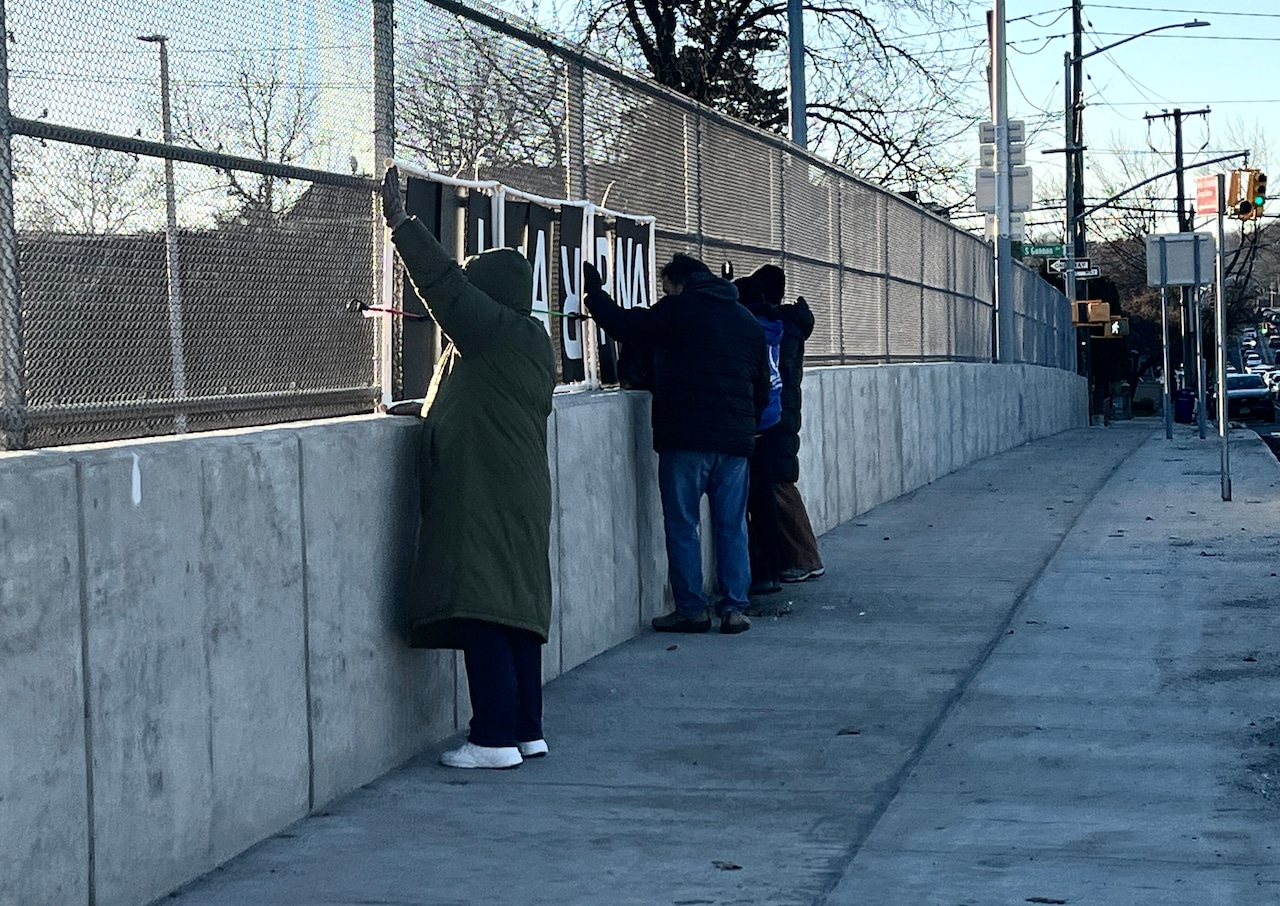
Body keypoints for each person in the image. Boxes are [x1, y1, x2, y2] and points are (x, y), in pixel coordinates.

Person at [381, 166, 557, 770]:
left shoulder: (495, 331)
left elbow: (444, 289)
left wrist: (404, 226)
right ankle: (527, 729)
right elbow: (469, 398)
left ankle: (492, 739)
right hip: (514, 488)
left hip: (485, 490)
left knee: (483, 603)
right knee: (515, 607)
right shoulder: (521, 342)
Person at [582, 253, 770, 635]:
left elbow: (626, 325)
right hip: (734, 443)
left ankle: (691, 610)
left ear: (680, 283)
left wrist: (595, 295)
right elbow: (763, 385)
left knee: (684, 524)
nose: (663, 294)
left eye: (666, 287)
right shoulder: (745, 320)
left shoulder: (678, 310)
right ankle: (735, 609)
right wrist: (745, 425)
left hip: (685, 438)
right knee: (732, 525)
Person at [750, 264, 825, 583]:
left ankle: (806, 558)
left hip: (777, 414)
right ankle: (801, 557)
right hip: (786, 410)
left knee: (780, 485)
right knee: (780, 483)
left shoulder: (777, 327)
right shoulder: (791, 323)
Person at [733, 274, 786, 596]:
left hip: (755, 421)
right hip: (773, 417)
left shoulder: (749, 329)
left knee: (751, 501)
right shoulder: (774, 327)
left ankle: (762, 570)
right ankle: (774, 568)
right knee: (765, 499)